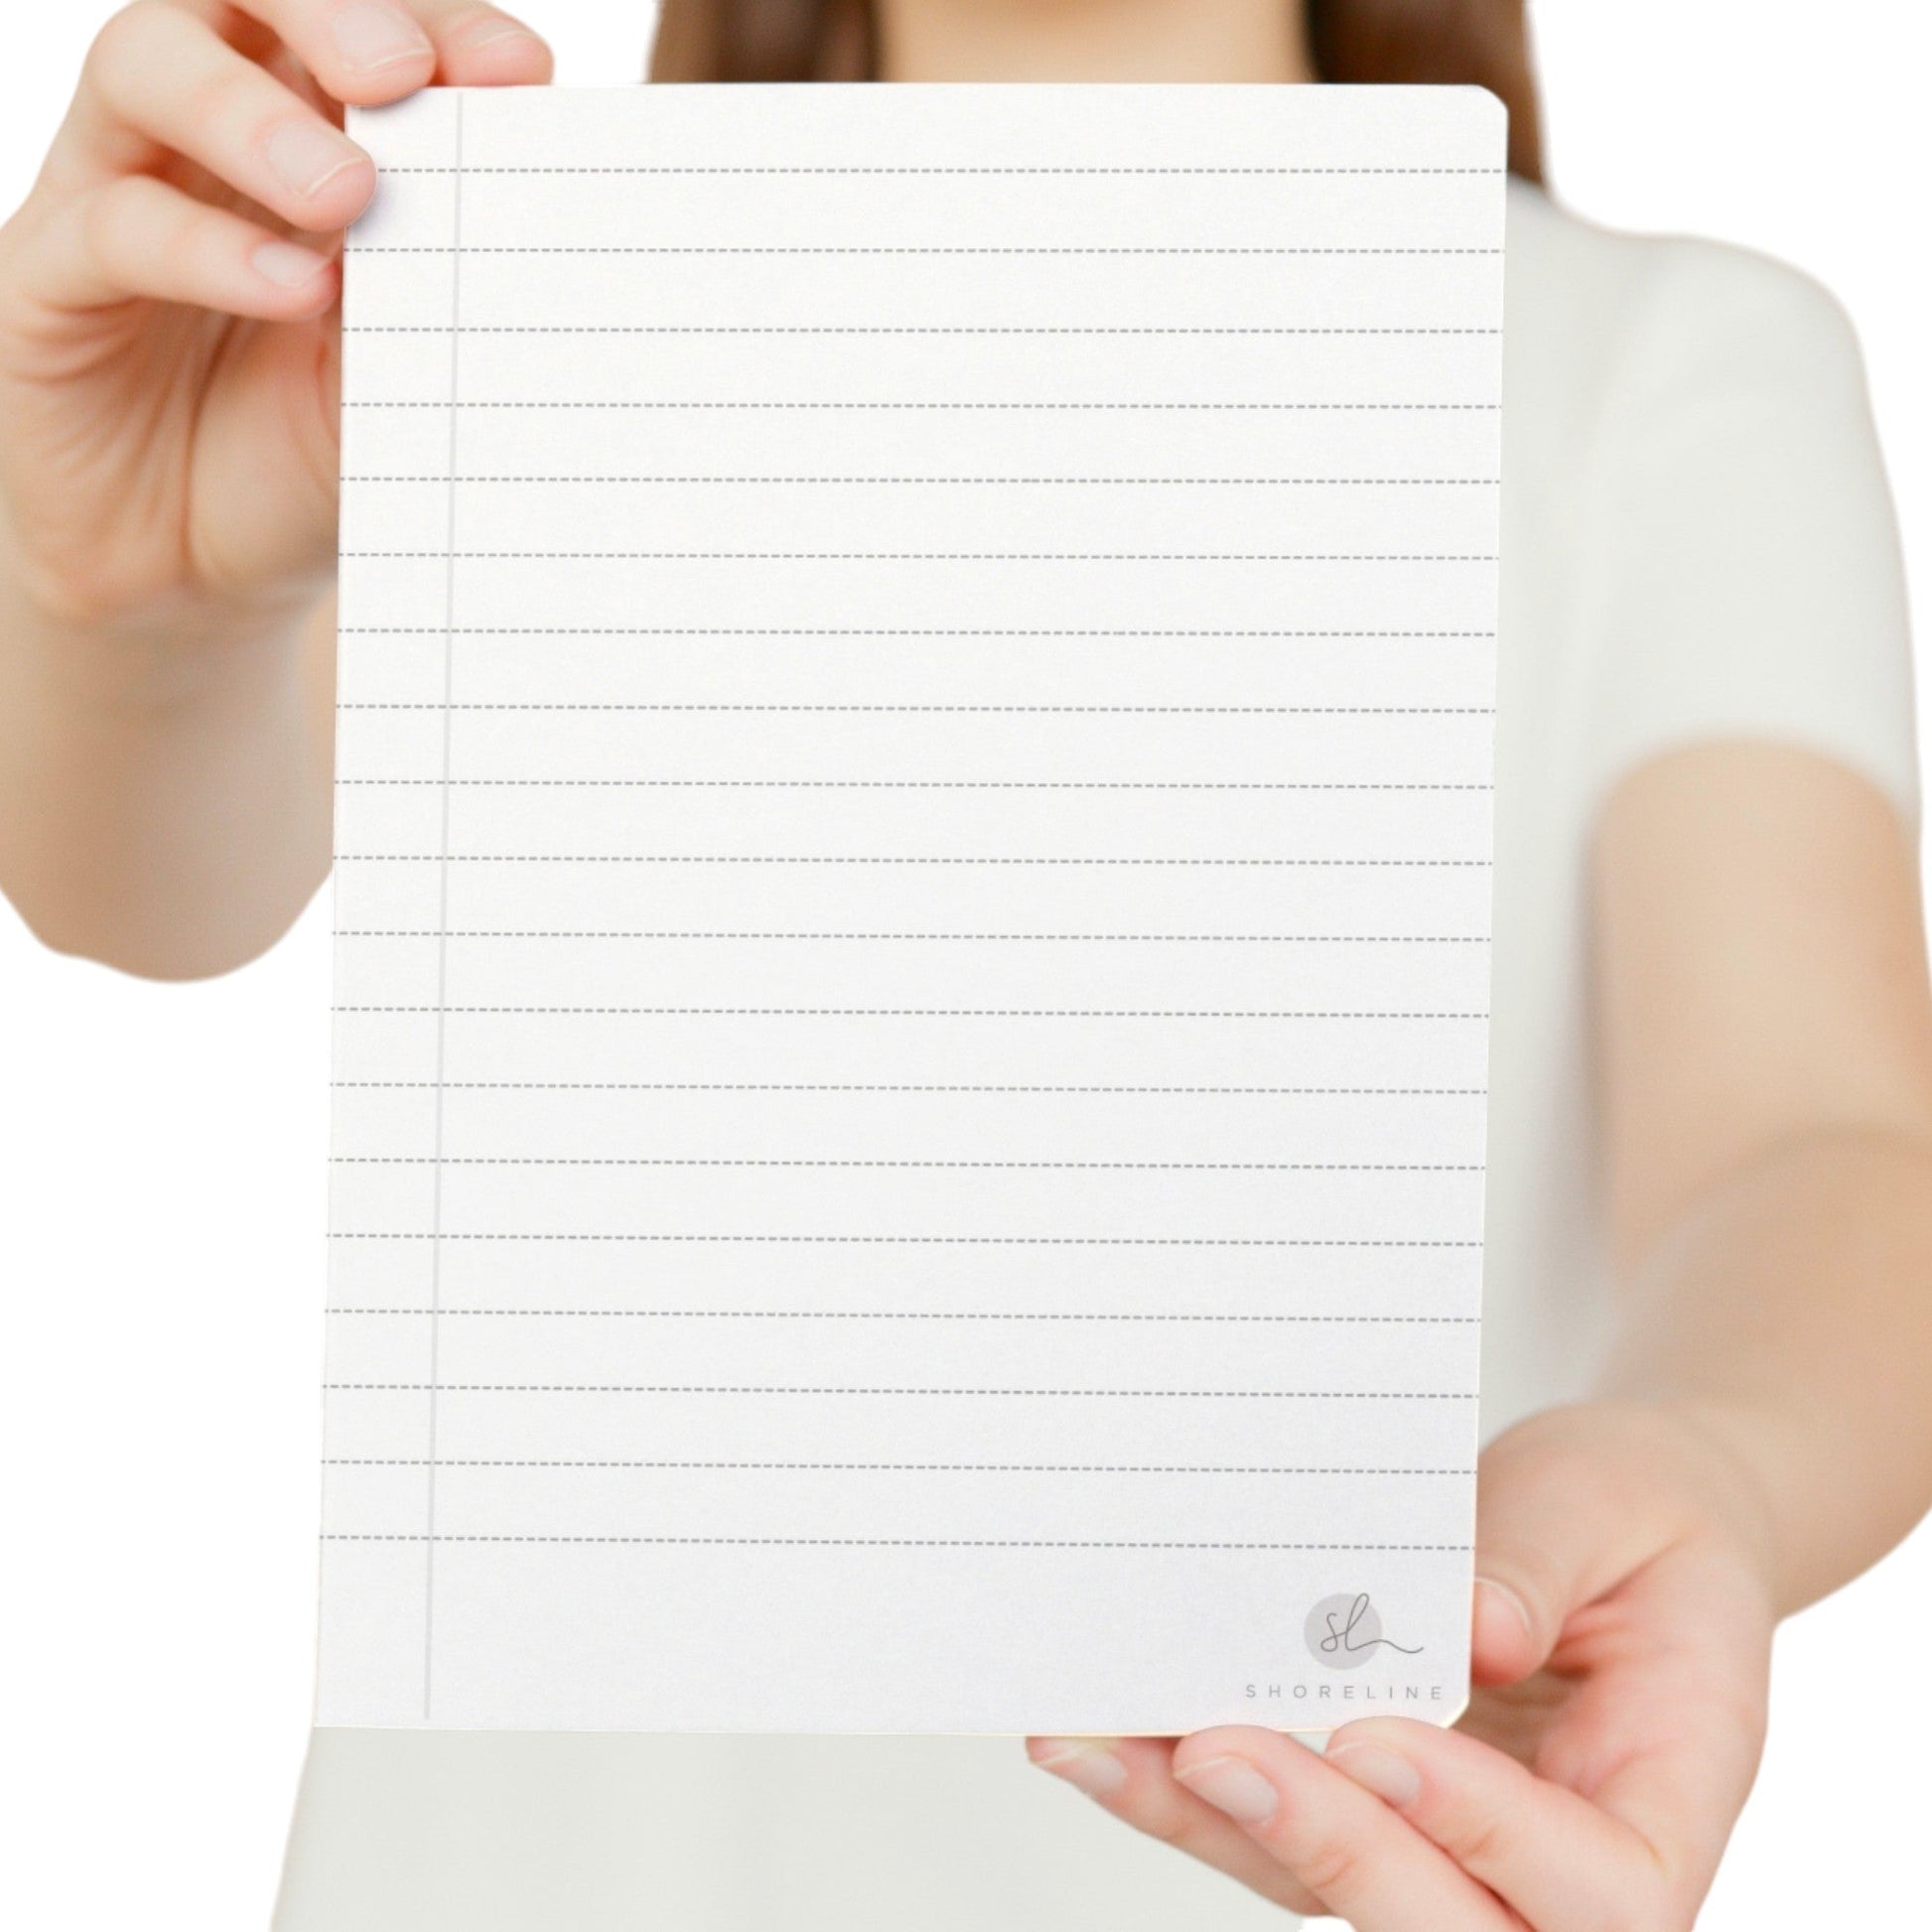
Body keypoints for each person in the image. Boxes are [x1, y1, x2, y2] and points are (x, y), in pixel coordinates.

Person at [3, 2, 1929, 1926]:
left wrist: (1712, 1465)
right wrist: (121, 595)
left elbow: (1814, 1131)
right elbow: (151, 895)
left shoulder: (1666, 356)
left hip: (1290, 1853)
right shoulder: (492, 289)